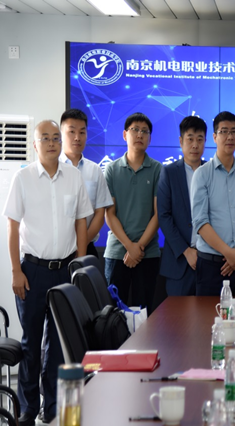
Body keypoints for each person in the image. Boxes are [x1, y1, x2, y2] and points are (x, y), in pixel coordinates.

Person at [4, 120, 92, 426]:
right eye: (45, 138)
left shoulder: (74, 177)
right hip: (32, 272)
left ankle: (52, 407)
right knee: (31, 343)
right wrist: (16, 271)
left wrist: (79, 267)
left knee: (57, 344)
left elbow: (81, 222)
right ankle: (28, 409)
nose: (52, 142)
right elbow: (12, 227)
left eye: (56, 137)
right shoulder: (23, 178)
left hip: (65, 271)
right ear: (35, 144)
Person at [191, 111, 235, 296]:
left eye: (233, 131)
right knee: (208, 315)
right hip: (211, 265)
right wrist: (228, 253)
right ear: (215, 137)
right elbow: (200, 221)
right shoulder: (202, 174)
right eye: (224, 131)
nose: (230, 137)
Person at [104, 112, 162, 314]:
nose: (139, 135)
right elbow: (109, 214)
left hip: (148, 254)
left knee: (143, 315)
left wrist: (139, 247)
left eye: (145, 131)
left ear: (150, 138)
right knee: (113, 315)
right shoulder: (111, 169)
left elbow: (158, 215)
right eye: (135, 130)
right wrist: (130, 247)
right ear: (124, 134)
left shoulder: (157, 169)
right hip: (117, 253)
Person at [156, 116, 207, 296]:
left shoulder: (211, 171)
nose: (195, 145)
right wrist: (186, 251)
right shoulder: (169, 172)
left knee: (208, 312)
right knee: (178, 313)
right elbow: (164, 216)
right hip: (178, 263)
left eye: (200, 139)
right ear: (181, 141)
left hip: (208, 260)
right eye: (190, 139)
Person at [59, 108, 113, 258]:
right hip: (56, 250)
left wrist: (81, 245)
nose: (77, 137)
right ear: (61, 133)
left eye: (82, 132)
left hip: (87, 247)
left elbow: (99, 214)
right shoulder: (52, 168)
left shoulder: (95, 170)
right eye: (72, 131)